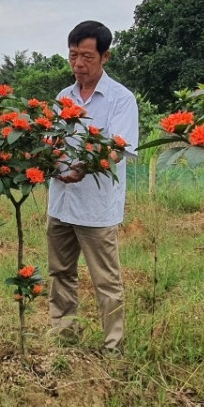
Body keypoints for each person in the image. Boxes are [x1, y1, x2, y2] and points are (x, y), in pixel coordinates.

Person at [46, 20, 140, 355]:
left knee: (106, 280)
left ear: (105, 57)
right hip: (61, 203)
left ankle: (113, 347)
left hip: (97, 208)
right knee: (60, 272)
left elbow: (116, 148)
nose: (78, 64)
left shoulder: (120, 99)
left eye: (86, 56)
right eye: (73, 56)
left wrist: (84, 167)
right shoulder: (63, 98)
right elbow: (51, 143)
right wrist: (54, 165)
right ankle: (63, 335)